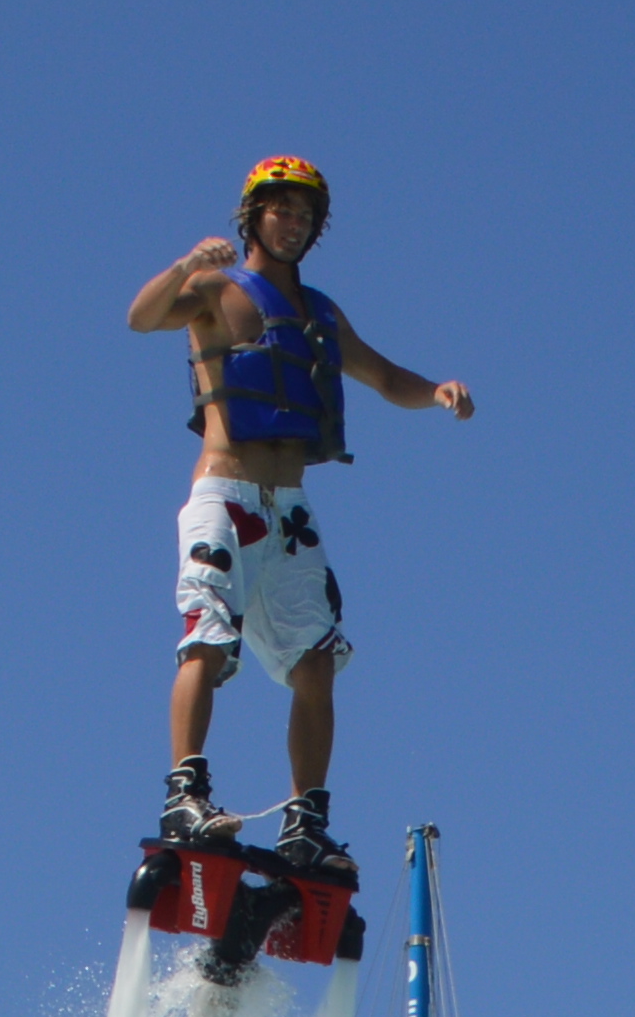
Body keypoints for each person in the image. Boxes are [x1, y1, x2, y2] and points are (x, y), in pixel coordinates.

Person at [123, 154, 473, 887]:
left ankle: (304, 822)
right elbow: (141, 317)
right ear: (252, 215)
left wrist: (436, 389)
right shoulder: (213, 288)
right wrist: (187, 261)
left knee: (316, 664)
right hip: (226, 494)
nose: (294, 222)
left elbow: (383, 376)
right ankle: (185, 795)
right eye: (281, 209)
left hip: (291, 514)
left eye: (306, 214)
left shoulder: (320, 313)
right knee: (208, 641)